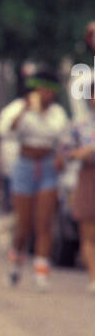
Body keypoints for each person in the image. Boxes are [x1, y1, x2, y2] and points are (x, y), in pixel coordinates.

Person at [0, 67, 68, 290]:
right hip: (25, 165)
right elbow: (4, 130)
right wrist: (25, 110)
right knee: (23, 224)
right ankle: (16, 264)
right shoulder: (20, 107)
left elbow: (63, 141)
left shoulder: (57, 113)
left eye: (49, 91)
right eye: (41, 89)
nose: (45, 94)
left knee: (43, 222)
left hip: (47, 167)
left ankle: (41, 270)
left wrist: (60, 158)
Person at [60, 89, 95, 290]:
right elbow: (65, 152)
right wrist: (81, 152)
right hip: (88, 175)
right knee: (88, 230)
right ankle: (93, 277)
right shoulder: (79, 123)